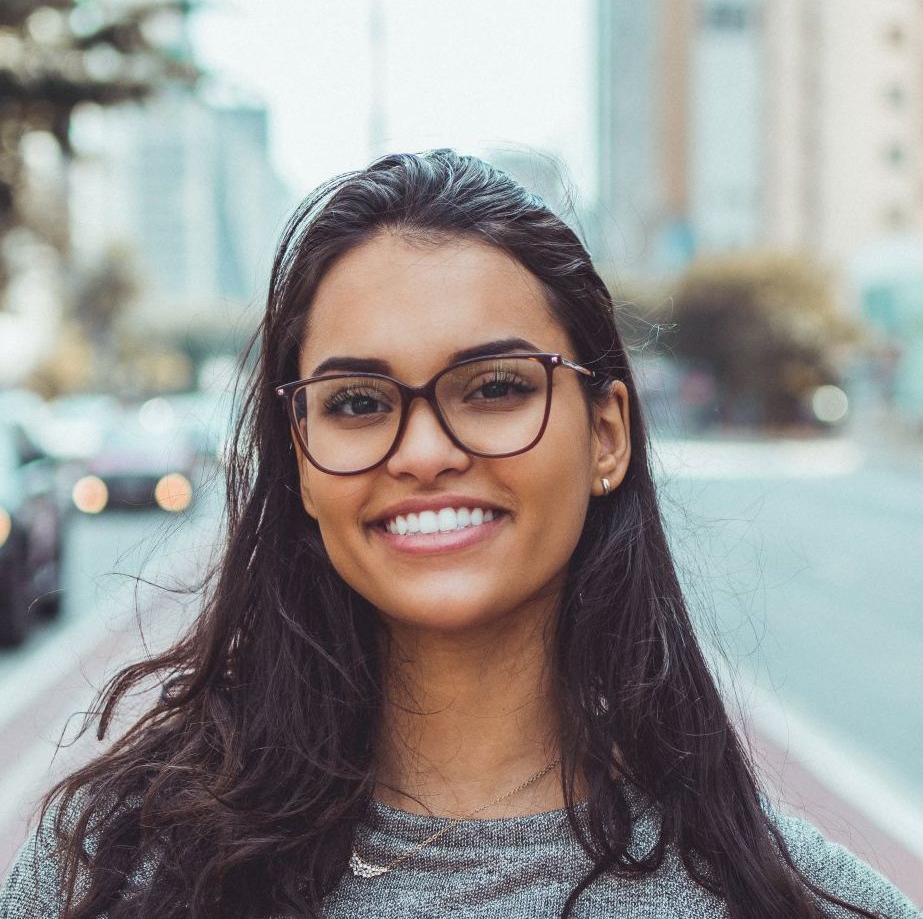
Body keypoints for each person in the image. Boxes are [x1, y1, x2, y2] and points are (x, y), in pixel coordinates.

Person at [0, 149, 919, 919]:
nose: (426, 451)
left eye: (493, 388)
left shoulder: (803, 901)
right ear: (302, 458)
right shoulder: (110, 870)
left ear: (605, 434)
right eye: (358, 402)